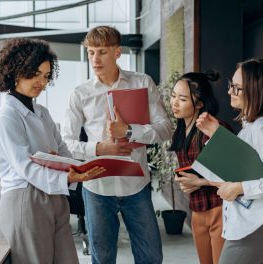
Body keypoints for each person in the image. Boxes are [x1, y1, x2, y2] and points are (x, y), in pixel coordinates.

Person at [61, 26, 172, 264]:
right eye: (91, 52)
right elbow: (66, 143)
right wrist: (100, 149)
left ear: (117, 52)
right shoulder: (80, 94)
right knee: (102, 259)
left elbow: (165, 129)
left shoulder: (142, 83)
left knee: (151, 256)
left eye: (101, 52)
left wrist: (130, 131)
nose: (95, 59)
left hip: (136, 186)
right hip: (97, 187)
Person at [0, 38, 105, 264]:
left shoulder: (42, 112)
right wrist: (65, 174)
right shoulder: (7, 116)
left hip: (55, 196)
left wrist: (76, 169)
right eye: (35, 74)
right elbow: (25, 166)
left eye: (45, 76)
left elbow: (62, 149)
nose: (41, 82)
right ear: (15, 72)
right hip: (25, 200)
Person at [195, 58, 263, 264]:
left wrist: (239, 187)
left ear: (256, 90)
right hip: (247, 223)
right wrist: (218, 137)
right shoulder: (252, 127)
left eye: (237, 88)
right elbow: (248, 166)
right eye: (231, 85)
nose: (230, 92)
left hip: (254, 226)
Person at [170, 71, 228, 264]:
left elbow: (236, 176)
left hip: (220, 210)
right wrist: (185, 182)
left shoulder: (214, 129)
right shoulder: (179, 132)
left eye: (183, 99)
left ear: (200, 103)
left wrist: (199, 181)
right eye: (173, 96)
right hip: (197, 211)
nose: (174, 103)